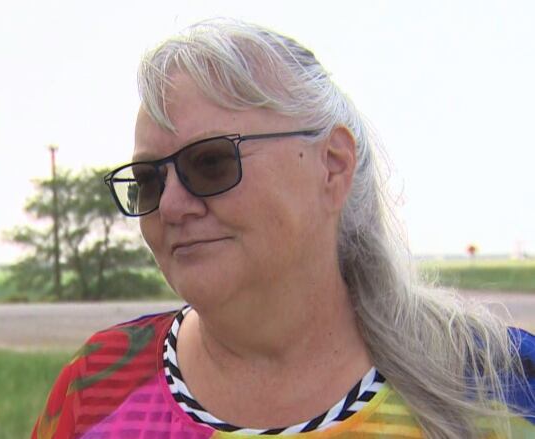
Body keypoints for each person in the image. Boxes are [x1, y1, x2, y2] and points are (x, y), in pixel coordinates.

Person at [31, 19, 535, 439]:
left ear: (333, 166)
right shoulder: (98, 388)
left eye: (209, 163)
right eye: (147, 180)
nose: (171, 204)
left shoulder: (503, 387)